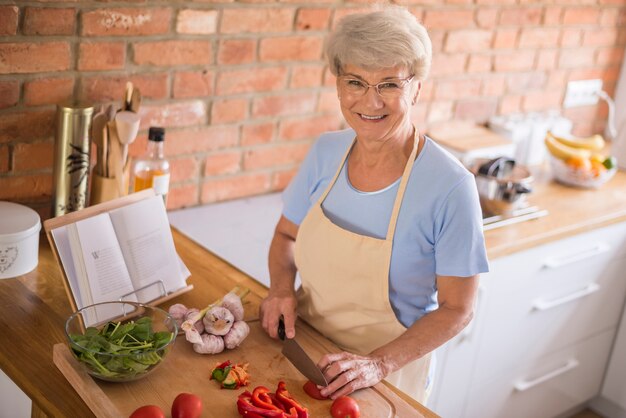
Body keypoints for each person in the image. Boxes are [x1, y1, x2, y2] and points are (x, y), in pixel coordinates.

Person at [259, 6, 489, 404]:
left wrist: (377, 364)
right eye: (355, 81)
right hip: (307, 354)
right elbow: (285, 235)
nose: (370, 101)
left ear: (417, 87)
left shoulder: (450, 186)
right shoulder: (325, 152)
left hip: (387, 378)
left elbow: (458, 309)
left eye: (388, 84)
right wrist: (281, 288)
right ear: (337, 85)